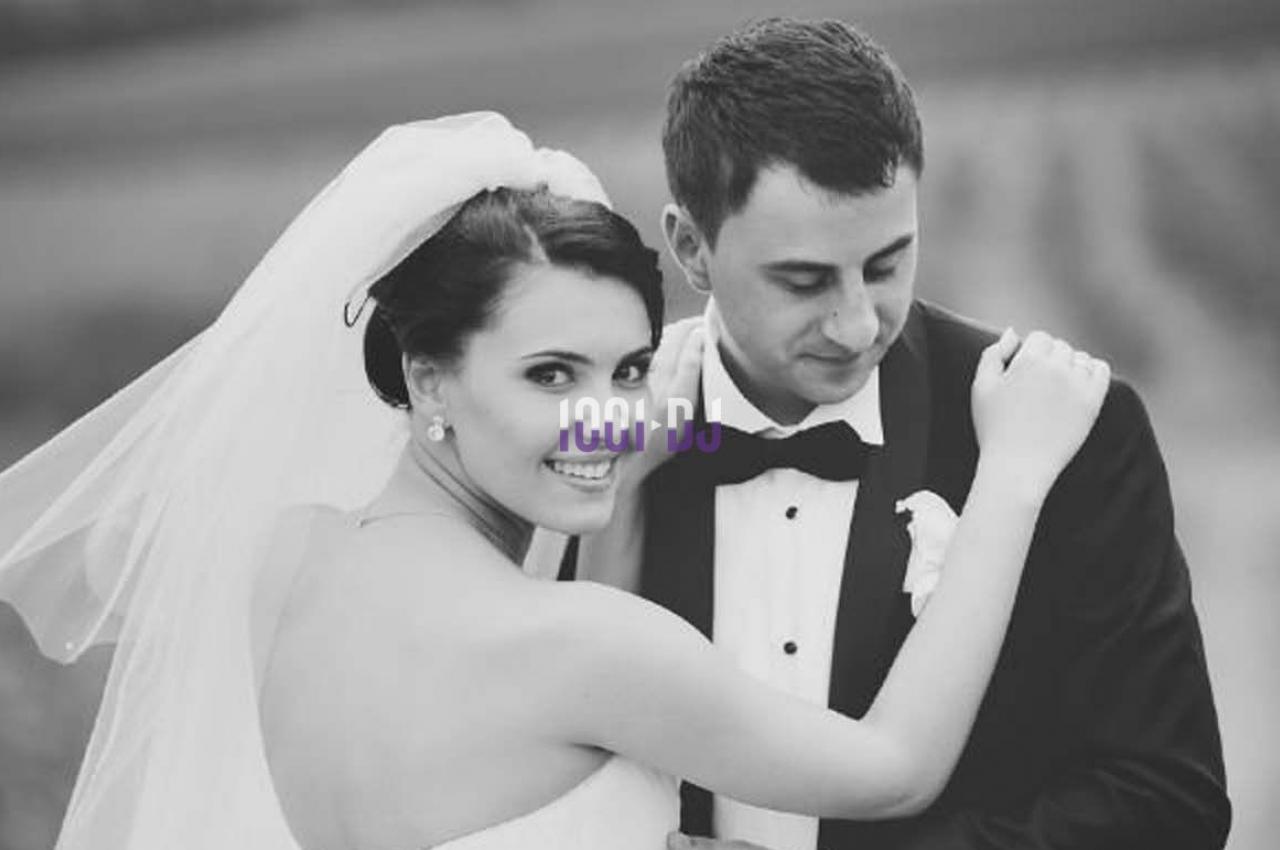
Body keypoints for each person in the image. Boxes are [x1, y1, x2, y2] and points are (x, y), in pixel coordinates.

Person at [0, 112, 1107, 850]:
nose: (603, 415)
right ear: (426, 376)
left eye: (627, 369)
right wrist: (1012, 476)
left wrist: (630, 460)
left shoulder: (293, 557)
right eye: (550, 374)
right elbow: (895, 770)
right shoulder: (583, 650)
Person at [636, 17, 1230, 850]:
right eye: (803, 281)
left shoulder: (1065, 430)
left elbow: (1167, 802)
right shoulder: (608, 438)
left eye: (886, 264)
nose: (855, 324)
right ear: (691, 248)